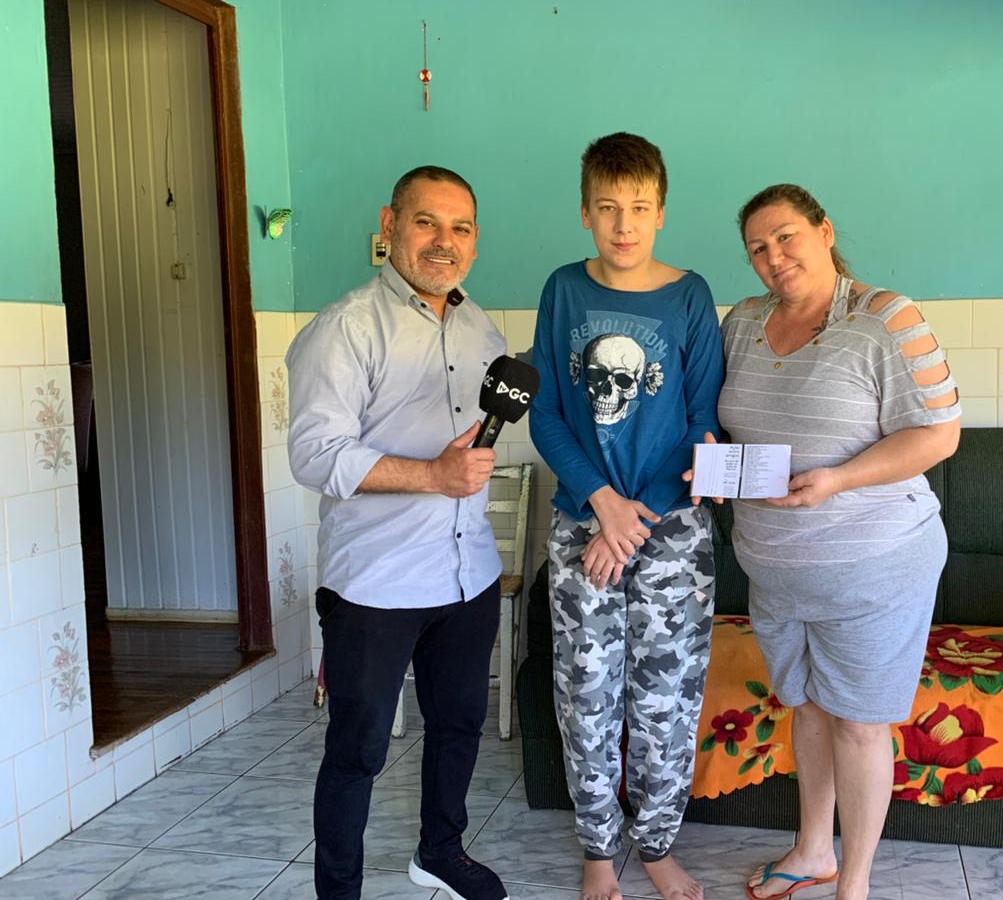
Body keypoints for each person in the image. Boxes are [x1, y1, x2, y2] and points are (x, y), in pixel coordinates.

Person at [712, 184, 961, 900]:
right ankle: (813, 850)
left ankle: (854, 884)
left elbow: (939, 435)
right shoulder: (742, 322)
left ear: (824, 231)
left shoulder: (886, 317)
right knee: (809, 708)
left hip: (874, 565)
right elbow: (724, 421)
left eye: (786, 236)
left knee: (857, 724)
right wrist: (712, 457)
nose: (774, 256)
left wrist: (840, 479)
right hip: (775, 572)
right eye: (757, 247)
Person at [287, 166, 510, 900]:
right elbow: (314, 455)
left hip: (468, 574)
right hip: (375, 584)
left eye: (460, 228)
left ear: (475, 241)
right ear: (389, 226)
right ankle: (338, 892)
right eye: (426, 222)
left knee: (459, 726)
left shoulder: (481, 328)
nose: (444, 242)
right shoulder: (346, 327)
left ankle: (440, 852)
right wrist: (431, 476)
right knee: (358, 750)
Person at [529, 133, 724, 900]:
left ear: (661, 212)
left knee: (666, 700)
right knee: (586, 696)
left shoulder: (690, 295)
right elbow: (546, 413)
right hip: (586, 520)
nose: (624, 224)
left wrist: (636, 519)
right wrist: (602, 505)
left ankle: (658, 846)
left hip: (671, 529)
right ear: (584, 212)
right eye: (608, 207)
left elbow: (702, 420)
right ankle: (599, 850)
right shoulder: (562, 290)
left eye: (639, 207)